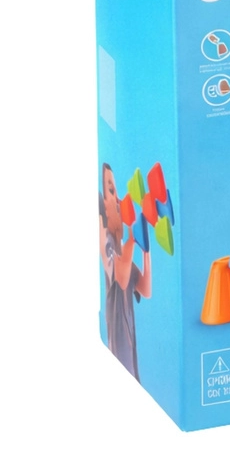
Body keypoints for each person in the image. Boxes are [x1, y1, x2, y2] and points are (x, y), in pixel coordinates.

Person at [100, 163, 151, 380]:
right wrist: (132, 232)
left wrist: (146, 248)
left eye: (117, 191)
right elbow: (121, 277)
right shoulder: (108, 247)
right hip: (118, 346)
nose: (119, 199)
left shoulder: (124, 254)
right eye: (111, 191)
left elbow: (145, 289)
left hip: (130, 346)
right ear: (103, 205)